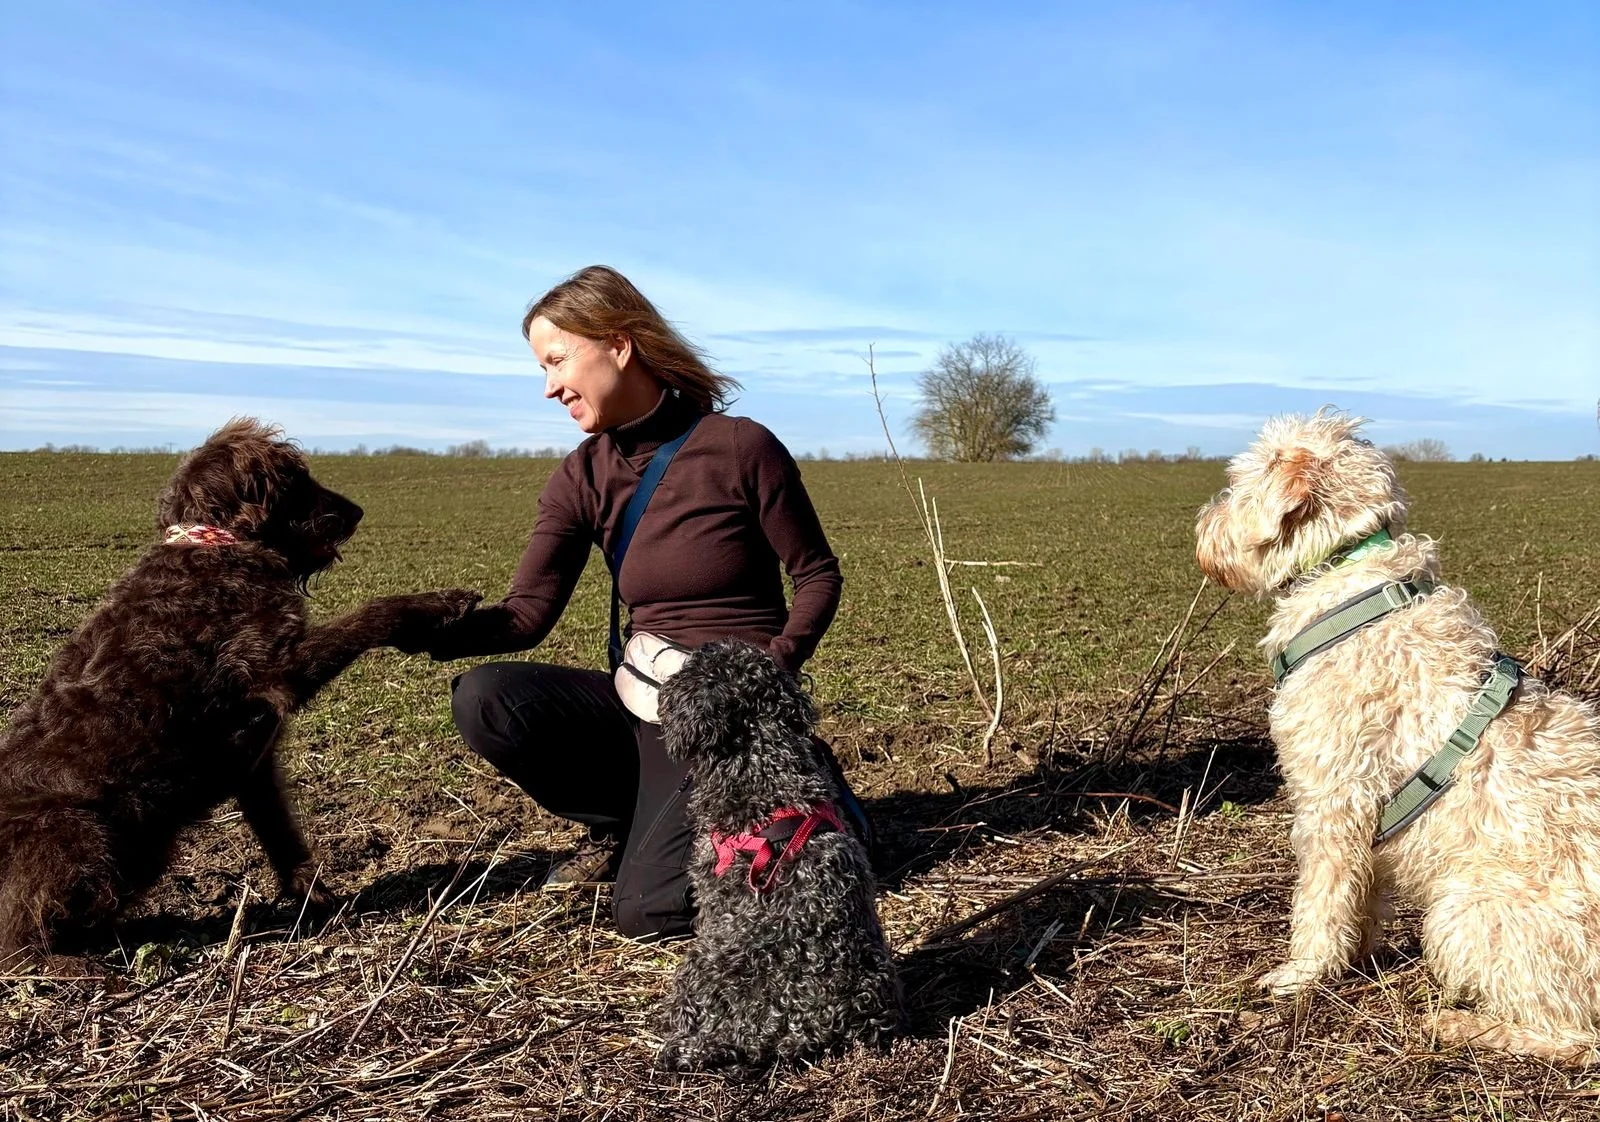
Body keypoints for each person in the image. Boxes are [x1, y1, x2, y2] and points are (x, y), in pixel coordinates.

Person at [417, 265, 864, 939]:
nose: (549, 387)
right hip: (644, 703)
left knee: (647, 912)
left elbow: (817, 575)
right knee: (487, 699)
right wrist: (401, 626)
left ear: (618, 345)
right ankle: (623, 823)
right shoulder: (581, 475)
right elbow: (525, 615)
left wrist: (769, 674)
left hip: (727, 718)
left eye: (557, 361)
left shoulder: (741, 448)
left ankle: (804, 796)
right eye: (542, 368)